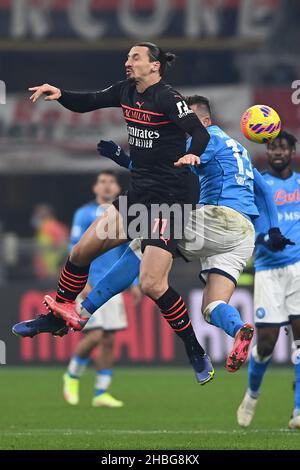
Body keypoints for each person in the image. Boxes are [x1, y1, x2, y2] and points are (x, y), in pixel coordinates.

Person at [17, 95, 291, 375]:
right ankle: (239, 328)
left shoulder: (206, 138)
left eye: (190, 122)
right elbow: (265, 191)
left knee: (141, 243)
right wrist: (273, 230)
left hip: (218, 218)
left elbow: (166, 172)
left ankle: (81, 313)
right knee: (213, 306)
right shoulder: (240, 150)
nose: (184, 128)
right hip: (242, 235)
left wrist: (123, 158)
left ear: (205, 122)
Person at [17, 42, 214, 385]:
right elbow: (90, 101)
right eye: (127, 57)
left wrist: (193, 155)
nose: (127, 62)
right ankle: (58, 315)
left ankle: (194, 348)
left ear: (154, 66)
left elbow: (199, 132)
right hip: (139, 196)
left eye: (135, 57)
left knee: (153, 284)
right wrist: (60, 93)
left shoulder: (169, 97)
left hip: (171, 200)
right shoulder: (125, 91)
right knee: (80, 252)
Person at [237, 131, 300, 430]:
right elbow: (250, 223)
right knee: (266, 345)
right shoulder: (259, 184)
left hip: (298, 269)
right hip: (267, 270)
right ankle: (252, 393)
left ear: (292, 151)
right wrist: (265, 238)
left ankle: (298, 411)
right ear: (267, 151)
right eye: (273, 147)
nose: (278, 152)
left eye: (283, 147)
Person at [63, 171, 141, 408]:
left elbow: (132, 250)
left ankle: (100, 393)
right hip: (88, 284)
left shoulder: (125, 214)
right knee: (95, 334)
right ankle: (72, 374)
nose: (107, 186)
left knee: (108, 338)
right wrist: (81, 281)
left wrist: (135, 283)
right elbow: (74, 247)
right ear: (95, 188)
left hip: (112, 287)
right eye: (102, 182)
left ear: (118, 187)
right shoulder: (84, 213)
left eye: (111, 182)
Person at [32, 204, 68, 279]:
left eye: (38, 214)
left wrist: (59, 267)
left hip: (52, 273)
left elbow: (65, 248)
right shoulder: (43, 228)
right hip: (46, 273)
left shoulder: (52, 227)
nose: (36, 217)